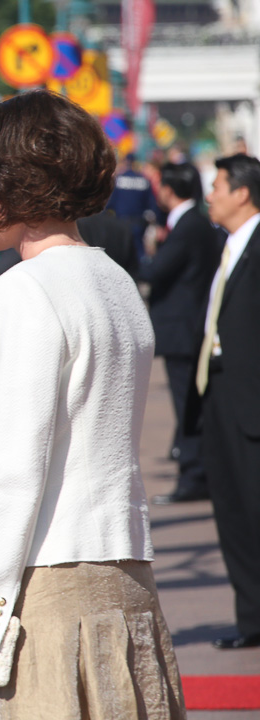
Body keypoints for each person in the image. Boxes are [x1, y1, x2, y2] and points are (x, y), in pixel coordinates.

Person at [0, 90, 186, 718]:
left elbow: (16, 477)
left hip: (49, 591)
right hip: (126, 577)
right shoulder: (114, 281)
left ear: (14, 186)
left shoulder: (24, 291)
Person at [197, 153, 260, 649]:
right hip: (219, 395)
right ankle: (251, 620)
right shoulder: (227, 247)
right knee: (234, 514)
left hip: (252, 400)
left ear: (242, 191)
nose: (210, 194)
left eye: (217, 185)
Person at [141, 161, 222, 504]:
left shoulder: (186, 225)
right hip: (191, 326)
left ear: (170, 190)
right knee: (191, 403)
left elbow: (157, 270)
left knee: (187, 405)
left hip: (183, 329)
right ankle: (197, 470)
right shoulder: (197, 223)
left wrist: (142, 255)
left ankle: (193, 476)